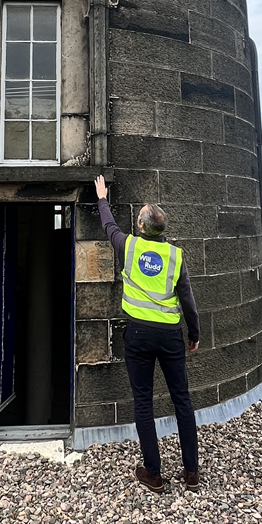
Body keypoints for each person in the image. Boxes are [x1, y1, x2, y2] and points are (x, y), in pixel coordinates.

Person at [93, 173, 200, 493]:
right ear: (161, 230)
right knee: (182, 400)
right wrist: (193, 333)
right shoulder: (175, 256)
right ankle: (191, 472)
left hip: (138, 334)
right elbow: (188, 300)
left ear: (140, 227)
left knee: (143, 402)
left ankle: (153, 473)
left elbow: (109, 226)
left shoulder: (129, 246)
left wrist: (102, 198)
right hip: (170, 335)